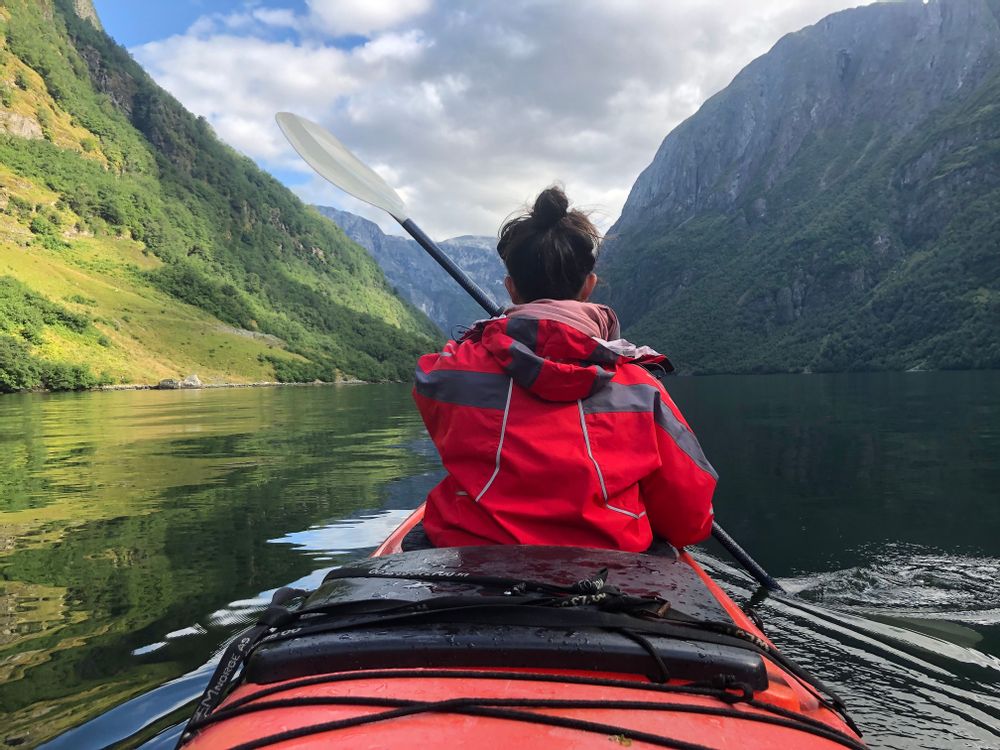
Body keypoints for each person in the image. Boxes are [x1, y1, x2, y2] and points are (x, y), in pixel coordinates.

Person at [412, 186, 716, 552]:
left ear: (511, 289)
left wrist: (484, 337)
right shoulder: (640, 388)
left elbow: (431, 379)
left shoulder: (454, 373)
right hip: (607, 575)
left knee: (421, 537)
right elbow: (689, 521)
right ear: (588, 286)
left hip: (477, 564)